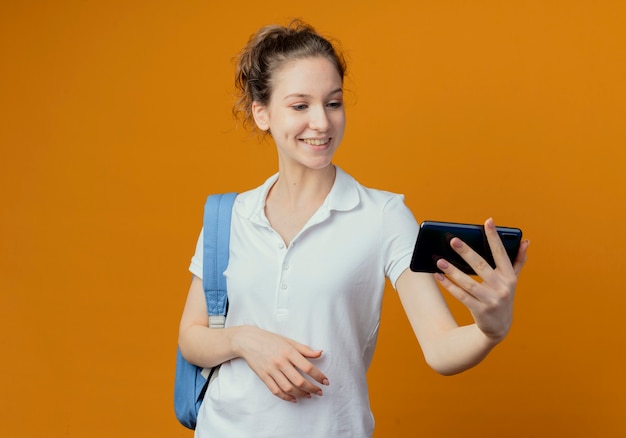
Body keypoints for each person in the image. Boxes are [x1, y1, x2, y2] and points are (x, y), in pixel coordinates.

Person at [178, 19, 529, 438]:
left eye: (333, 103)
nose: (322, 123)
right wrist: (246, 340)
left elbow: (440, 349)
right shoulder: (229, 215)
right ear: (262, 113)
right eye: (299, 105)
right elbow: (191, 337)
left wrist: (492, 330)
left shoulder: (383, 215)